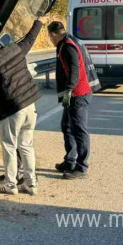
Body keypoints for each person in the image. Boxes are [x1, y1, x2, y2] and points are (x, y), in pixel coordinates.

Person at [0, 19, 44, 195]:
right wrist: (38, 23)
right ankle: (31, 184)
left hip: (12, 110)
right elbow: (30, 39)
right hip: (30, 106)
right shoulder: (15, 49)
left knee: (9, 146)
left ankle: (10, 185)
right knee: (26, 146)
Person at [48, 21, 93, 180]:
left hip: (78, 94)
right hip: (74, 93)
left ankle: (81, 167)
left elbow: (75, 69)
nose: (50, 40)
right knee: (67, 126)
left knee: (79, 129)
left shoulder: (67, 46)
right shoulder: (70, 40)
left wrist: (68, 90)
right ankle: (70, 160)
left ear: (53, 34)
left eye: (50, 37)